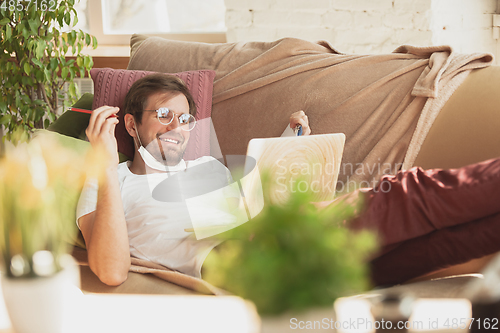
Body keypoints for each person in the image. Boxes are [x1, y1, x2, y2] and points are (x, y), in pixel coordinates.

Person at [77, 73, 500, 287]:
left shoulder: (208, 167)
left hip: (283, 237)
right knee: (410, 192)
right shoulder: (109, 181)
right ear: (130, 125)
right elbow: (110, 270)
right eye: (162, 115)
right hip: (248, 259)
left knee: (442, 244)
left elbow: (259, 191)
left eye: (185, 117)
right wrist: (105, 162)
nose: (177, 127)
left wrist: (288, 144)